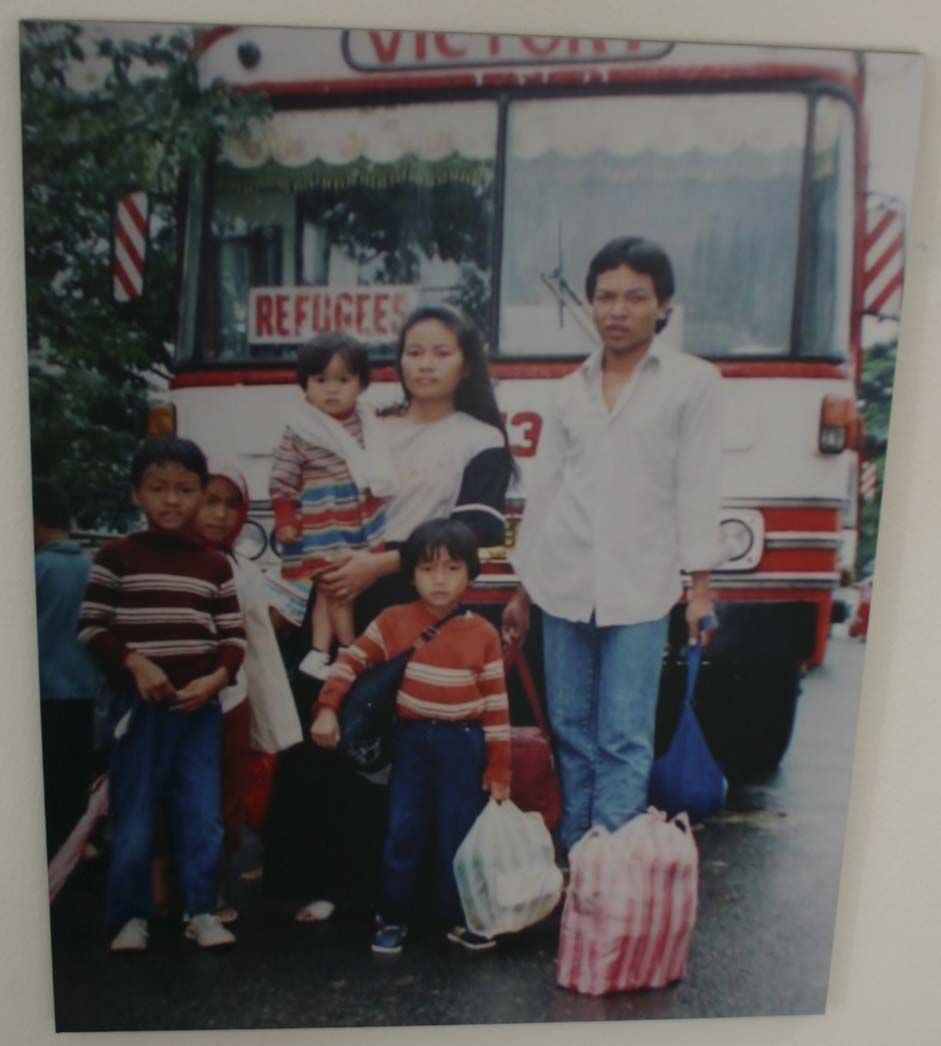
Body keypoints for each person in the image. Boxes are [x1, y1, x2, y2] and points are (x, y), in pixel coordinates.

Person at [263, 305, 515, 923]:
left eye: (441, 352)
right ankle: (318, 881)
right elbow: (299, 480)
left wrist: (383, 563)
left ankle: (387, 894)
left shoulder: (479, 439)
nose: (424, 364)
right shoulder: (362, 423)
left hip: (413, 604)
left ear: (465, 364)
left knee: (388, 752)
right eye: (413, 351)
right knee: (324, 735)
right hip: (333, 590)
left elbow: (482, 532)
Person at [502, 236, 723, 856]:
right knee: (570, 732)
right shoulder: (570, 387)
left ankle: (613, 869)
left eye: (634, 297)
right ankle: (577, 862)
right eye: (605, 296)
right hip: (563, 581)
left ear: (663, 306)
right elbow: (544, 490)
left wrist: (700, 588)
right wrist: (523, 592)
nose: (617, 310)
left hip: (642, 586)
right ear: (590, 305)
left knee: (624, 737)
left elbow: (699, 483)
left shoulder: (693, 383)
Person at [77, 437, 246, 953]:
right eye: (158, 489)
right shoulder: (116, 556)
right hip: (138, 708)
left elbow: (234, 638)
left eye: (184, 489)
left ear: (199, 494)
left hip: (199, 709)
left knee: (202, 812)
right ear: (137, 495)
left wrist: (217, 679)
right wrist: (133, 662)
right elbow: (90, 628)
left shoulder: (216, 565)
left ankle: (200, 910)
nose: (171, 501)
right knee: (134, 812)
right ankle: (130, 915)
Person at [311, 518, 511, 955]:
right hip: (412, 743)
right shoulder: (393, 621)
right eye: (427, 568)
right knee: (403, 829)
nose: (439, 580)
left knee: (458, 833)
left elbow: (497, 708)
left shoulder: (484, 634)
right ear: (411, 574)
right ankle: (393, 916)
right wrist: (327, 708)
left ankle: (460, 917)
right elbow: (350, 662)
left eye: (452, 568)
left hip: (464, 746)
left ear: (471, 574)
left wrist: (499, 767)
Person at [189, 462, 302, 921]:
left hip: (232, 700)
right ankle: (167, 894)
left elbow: (260, 634)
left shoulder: (244, 568)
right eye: (210, 501)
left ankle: (211, 894)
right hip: (179, 702)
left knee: (226, 800)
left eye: (231, 505)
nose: (219, 515)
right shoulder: (174, 559)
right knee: (180, 797)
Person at [268, 333, 394, 681]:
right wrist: (284, 517)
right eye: (320, 380)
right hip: (323, 519)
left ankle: (318, 652)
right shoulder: (300, 429)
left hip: (357, 516)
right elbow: (283, 476)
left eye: (344, 379)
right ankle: (348, 647)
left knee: (328, 588)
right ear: (304, 386)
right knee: (339, 586)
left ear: (362, 384)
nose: (332, 389)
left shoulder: (368, 422)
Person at [32, 478, 101, 857]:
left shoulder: (37, 567)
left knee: (45, 773)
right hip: (86, 689)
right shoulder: (92, 565)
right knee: (75, 771)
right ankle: (80, 843)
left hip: (44, 689)